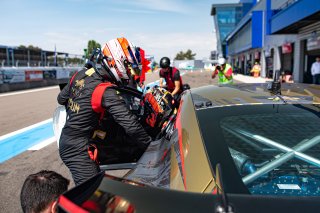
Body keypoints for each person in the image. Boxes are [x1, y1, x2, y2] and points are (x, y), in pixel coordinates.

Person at [57, 37, 152, 186]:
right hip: (78, 150)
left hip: (71, 141)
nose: (129, 71)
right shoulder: (105, 91)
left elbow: (61, 99)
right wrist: (151, 147)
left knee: (96, 188)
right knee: (92, 194)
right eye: (128, 66)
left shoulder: (80, 74)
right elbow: (131, 125)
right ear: (116, 61)